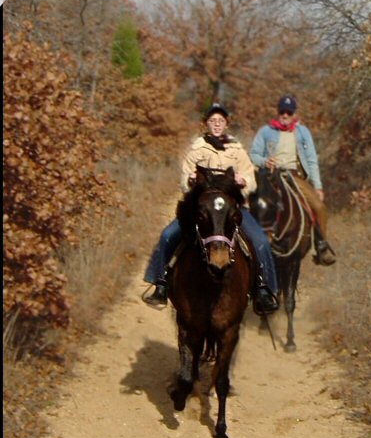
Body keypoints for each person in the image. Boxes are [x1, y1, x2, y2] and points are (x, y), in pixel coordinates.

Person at [142, 103, 279, 314]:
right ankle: (160, 283)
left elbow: (251, 177)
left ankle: (263, 289)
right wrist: (190, 179)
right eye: (213, 121)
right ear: (206, 123)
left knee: (260, 241)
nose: (217, 124)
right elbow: (184, 177)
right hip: (202, 209)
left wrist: (245, 181)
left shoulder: (236, 149)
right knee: (168, 235)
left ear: (226, 124)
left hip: (232, 209)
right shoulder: (197, 149)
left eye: (221, 121)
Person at [251, 95, 336, 266]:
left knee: (318, 207)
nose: (285, 115)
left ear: (294, 114)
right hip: (271, 176)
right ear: (278, 112)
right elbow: (253, 154)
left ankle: (320, 245)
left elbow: (312, 160)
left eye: (289, 112)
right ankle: (247, 242)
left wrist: (317, 186)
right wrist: (264, 162)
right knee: (254, 203)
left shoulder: (303, 132)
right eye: (282, 111)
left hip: (294, 177)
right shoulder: (266, 131)